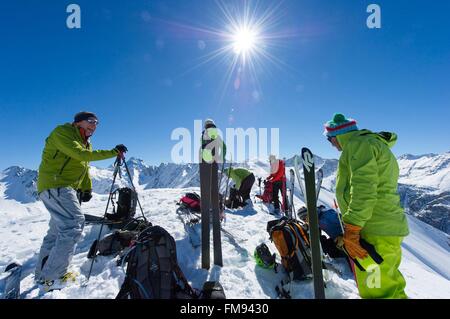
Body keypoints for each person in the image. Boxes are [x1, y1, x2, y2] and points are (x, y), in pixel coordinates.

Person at [35, 111, 128, 290]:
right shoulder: (62, 132)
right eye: (91, 121)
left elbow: (84, 166)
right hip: (56, 184)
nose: (94, 126)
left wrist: (86, 188)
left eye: (97, 123)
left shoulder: (86, 142)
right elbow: (80, 155)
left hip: (65, 187)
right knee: (74, 225)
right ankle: (54, 277)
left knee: (56, 233)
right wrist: (113, 152)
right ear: (78, 123)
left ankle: (42, 275)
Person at [324, 113, 409, 299]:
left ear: (339, 135)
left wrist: (352, 228)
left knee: (378, 292)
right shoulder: (372, 144)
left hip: (374, 230)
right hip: (385, 227)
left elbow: (364, 188)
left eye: (330, 139)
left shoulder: (358, 145)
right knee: (390, 288)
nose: (331, 144)